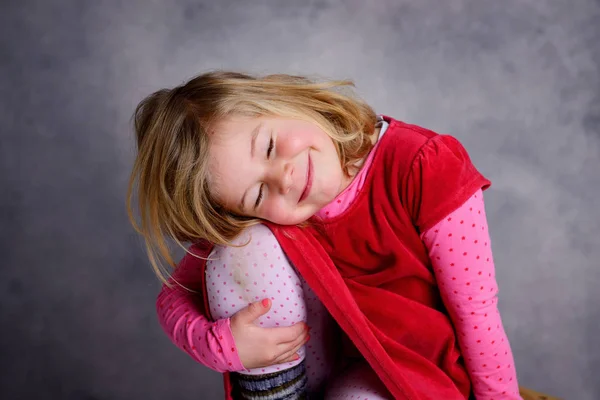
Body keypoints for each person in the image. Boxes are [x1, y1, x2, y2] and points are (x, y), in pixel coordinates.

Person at [127, 71, 522, 399]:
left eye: (268, 146)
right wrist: (217, 346)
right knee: (243, 247)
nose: (284, 176)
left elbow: (477, 314)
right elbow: (174, 297)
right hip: (318, 367)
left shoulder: (422, 164)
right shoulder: (278, 215)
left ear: (285, 102)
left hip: (408, 379)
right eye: (258, 193)